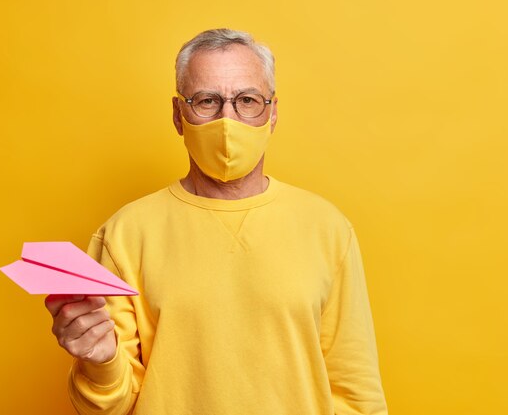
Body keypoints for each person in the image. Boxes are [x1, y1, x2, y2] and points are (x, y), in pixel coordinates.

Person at [45, 28, 388, 415]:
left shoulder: (328, 229)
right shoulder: (124, 235)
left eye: (247, 100)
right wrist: (99, 361)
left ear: (273, 112)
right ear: (178, 114)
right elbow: (107, 406)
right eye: (206, 101)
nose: (228, 120)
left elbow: (357, 394)